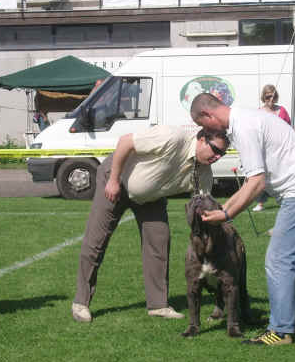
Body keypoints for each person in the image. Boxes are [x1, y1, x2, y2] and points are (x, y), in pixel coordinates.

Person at [190, 93, 295, 346]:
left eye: (204, 127)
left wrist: (227, 214)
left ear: (209, 115)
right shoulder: (245, 119)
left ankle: (280, 330)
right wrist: (224, 210)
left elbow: (256, 183)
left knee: (278, 260)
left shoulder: (244, 127)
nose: (206, 133)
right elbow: (251, 183)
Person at [72, 125, 230, 323]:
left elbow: (204, 207)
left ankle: (158, 305)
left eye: (222, 154)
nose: (217, 157)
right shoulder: (173, 137)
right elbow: (125, 142)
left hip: (151, 196)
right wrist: (112, 180)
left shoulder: (204, 173)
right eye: (215, 150)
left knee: (159, 243)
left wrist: (221, 226)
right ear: (201, 140)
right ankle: (81, 303)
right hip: (117, 179)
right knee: (96, 241)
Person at [252, 84, 291, 212]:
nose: (270, 100)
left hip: (281, 149)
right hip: (266, 150)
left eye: (273, 97)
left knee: (283, 176)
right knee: (264, 177)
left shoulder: (282, 111)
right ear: (264, 97)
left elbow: (290, 129)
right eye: (268, 97)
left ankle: (285, 199)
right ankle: (260, 202)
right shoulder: (259, 112)